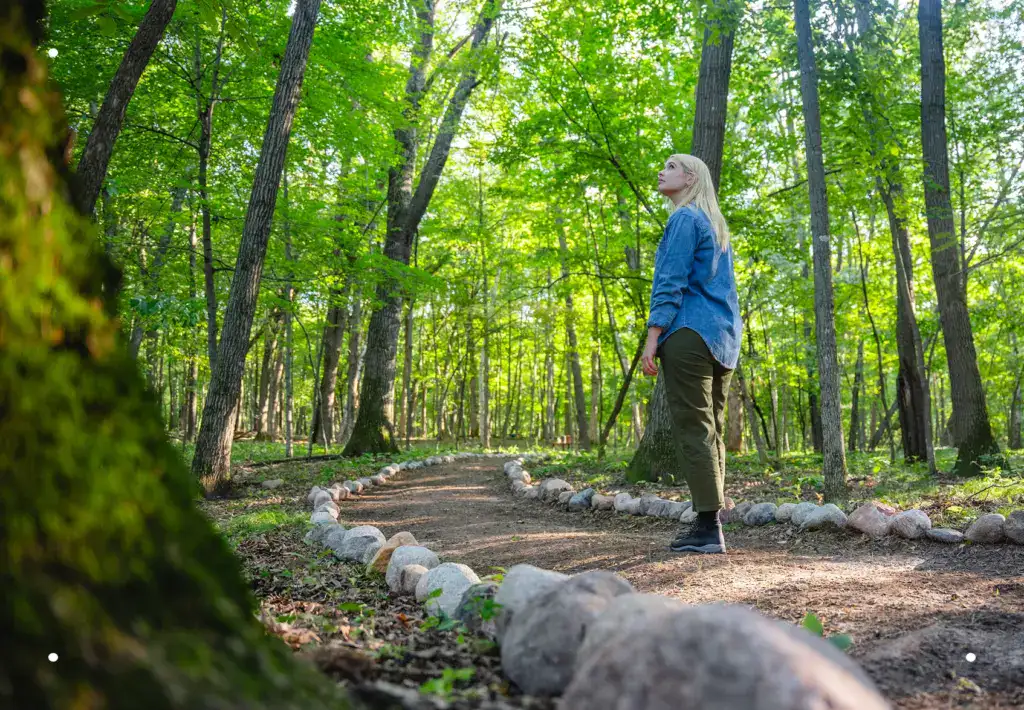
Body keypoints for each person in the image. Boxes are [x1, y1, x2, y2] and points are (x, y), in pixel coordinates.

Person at [641, 154, 742, 554]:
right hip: (723, 339)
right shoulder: (714, 225)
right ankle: (711, 522)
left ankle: (706, 526)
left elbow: (669, 282)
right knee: (711, 428)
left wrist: (653, 337)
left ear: (690, 178)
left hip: (688, 332)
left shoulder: (684, 219)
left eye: (670, 166)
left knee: (694, 427)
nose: (661, 171)